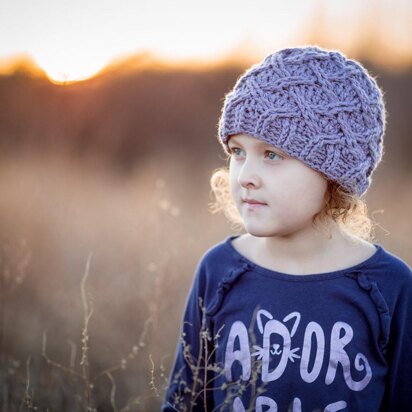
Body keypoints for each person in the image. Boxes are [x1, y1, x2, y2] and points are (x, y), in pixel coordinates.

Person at [162, 46, 412, 411]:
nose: (245, 176)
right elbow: (184, 403)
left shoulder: (390, 288)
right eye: (237, 151)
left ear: (333, 173)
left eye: (272, 155)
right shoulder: (219, 272)